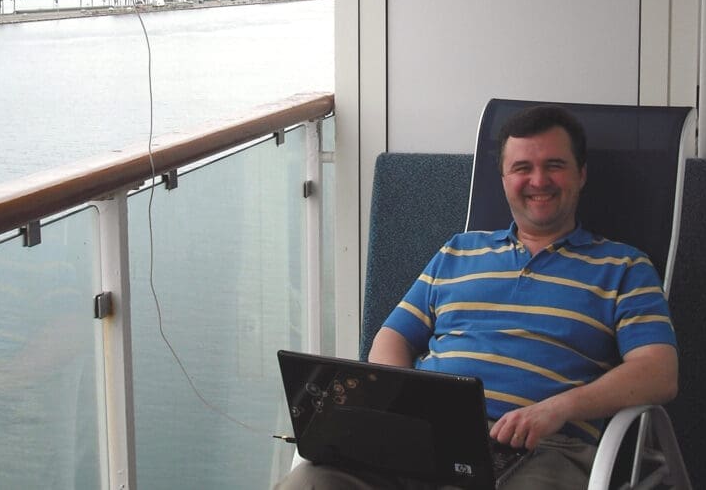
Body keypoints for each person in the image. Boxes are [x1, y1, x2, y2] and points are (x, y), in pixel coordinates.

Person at [278, 105, 678, 489]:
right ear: (503, 179)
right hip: (424, 442)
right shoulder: (458, 252)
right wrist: (405, 406)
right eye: (522, 168)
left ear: (581, 174)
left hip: (542, 450)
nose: (538, 180)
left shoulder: (623, 266)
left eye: (554, 165)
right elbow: (392, 339)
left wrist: (558, 409)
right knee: (312, 482)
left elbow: (659, 372)